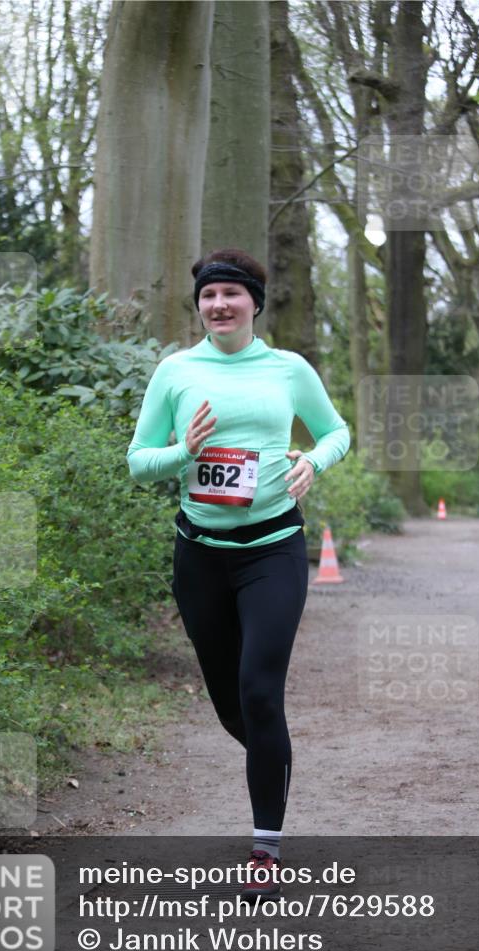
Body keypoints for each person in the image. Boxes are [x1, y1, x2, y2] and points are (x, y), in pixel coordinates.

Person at [127, 248, 350, 899]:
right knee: (233, 708)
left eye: (231, 294)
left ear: (254, 301)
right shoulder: (175, 372)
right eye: (208, 296)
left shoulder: (287, 369)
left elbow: (337, 430)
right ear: (198, 306)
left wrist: (315, 460)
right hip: (199, 556)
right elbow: (140, 462)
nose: (219, 304)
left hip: (272, 550)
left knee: (258, 692)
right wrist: (184, 451)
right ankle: (267, 752)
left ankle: (264, 848)